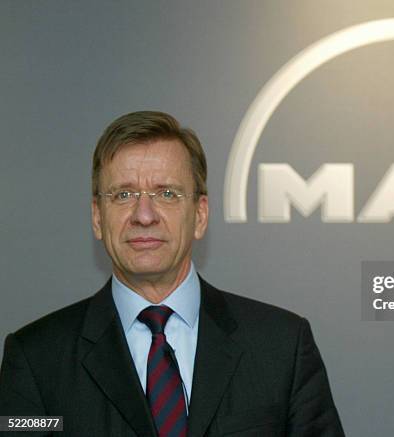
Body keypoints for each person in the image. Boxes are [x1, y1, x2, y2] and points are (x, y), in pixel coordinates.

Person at [0, 111, 345, 437]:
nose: (144, 215)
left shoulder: (282, 348)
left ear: (200, 214)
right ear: (96, 217)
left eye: (166, 193)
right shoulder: (36, 360)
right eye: (123, 194)